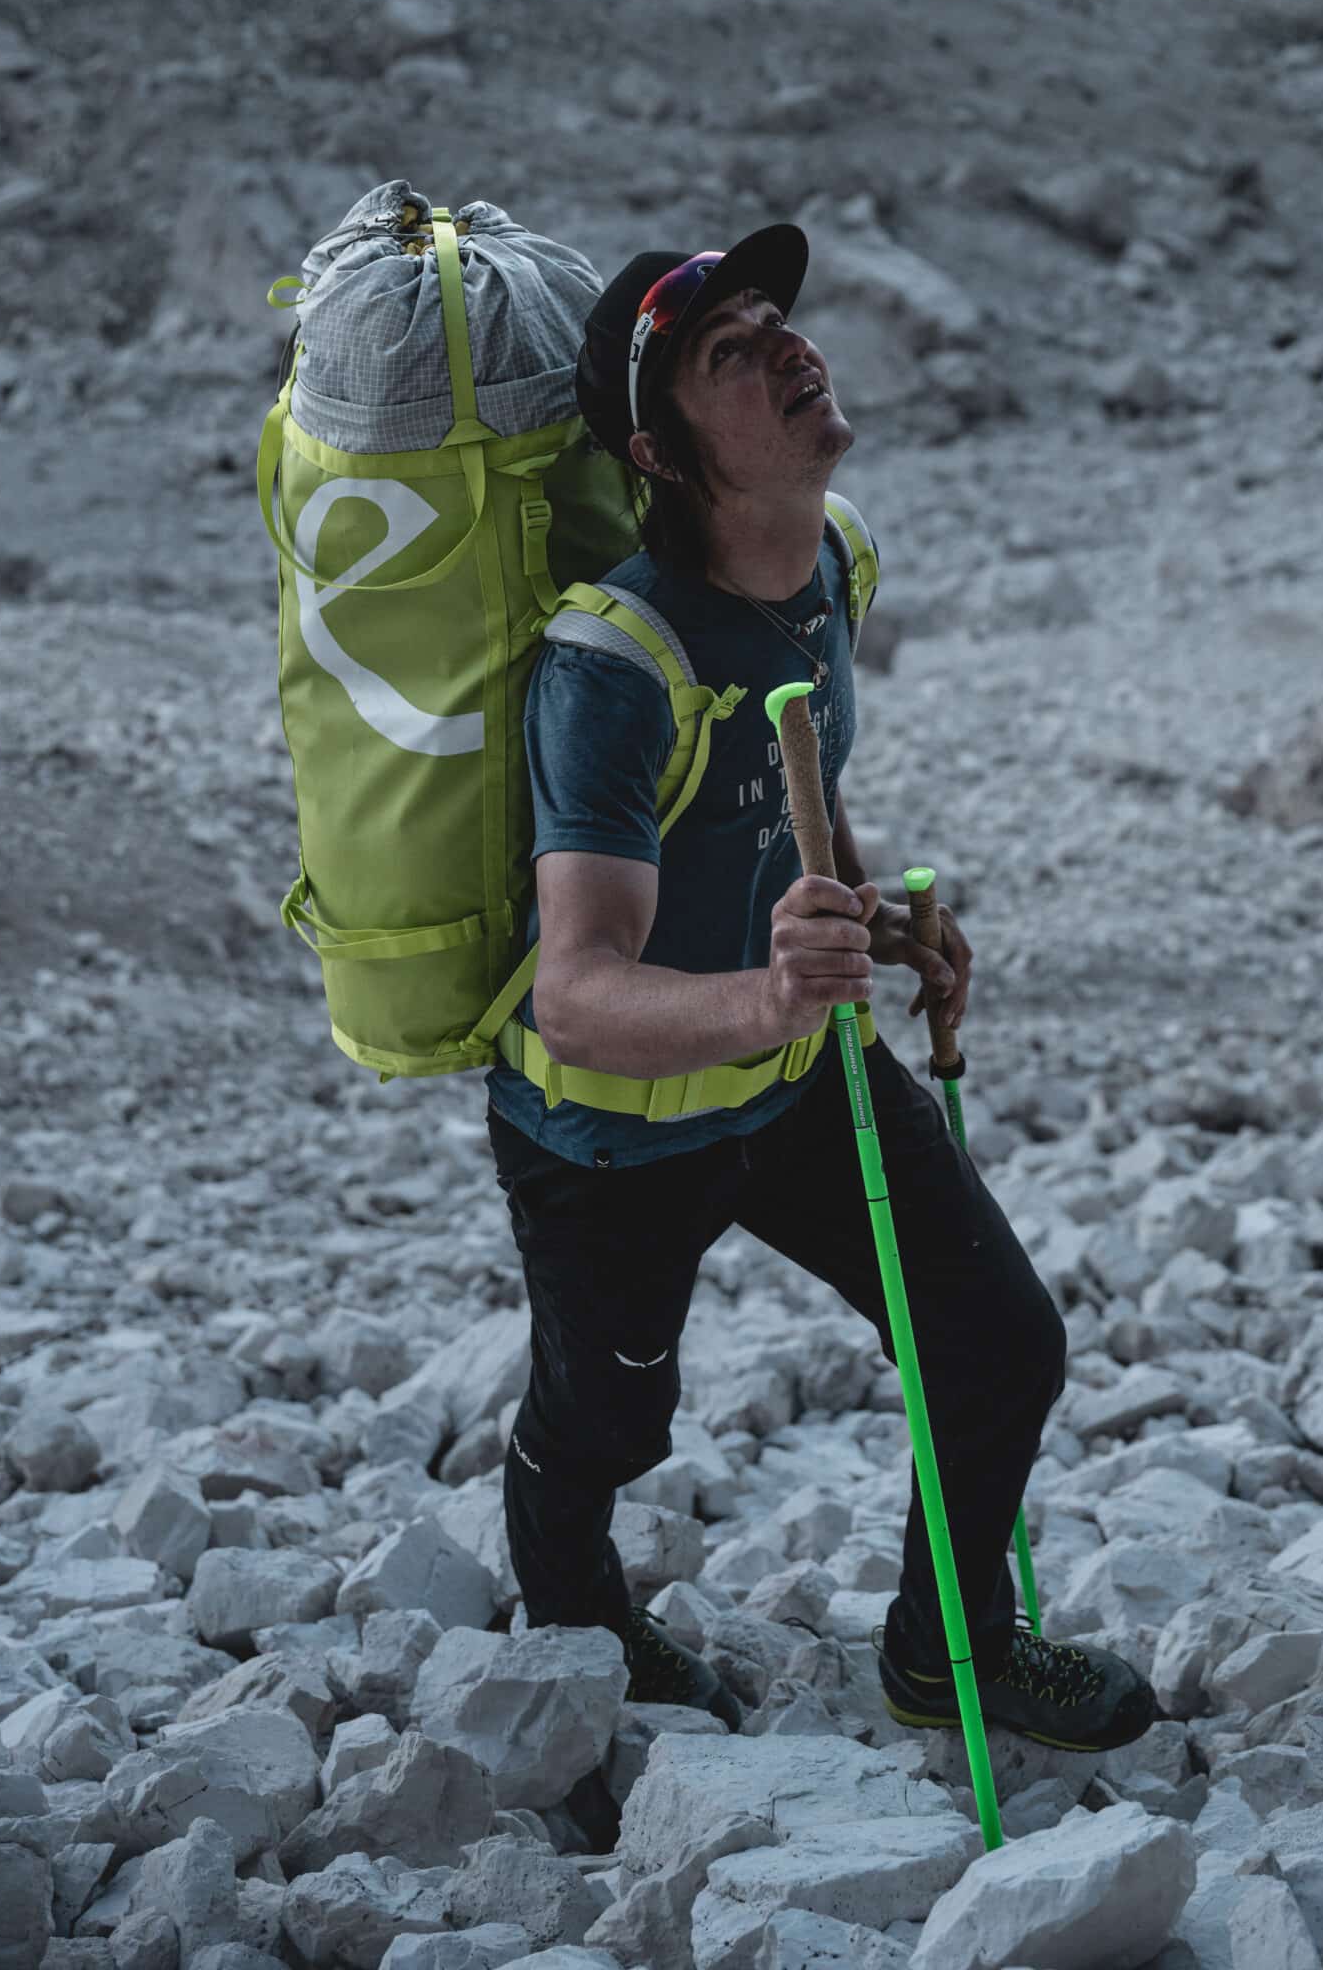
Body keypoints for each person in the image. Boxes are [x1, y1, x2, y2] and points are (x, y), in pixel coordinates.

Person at [486, 222, 1156, 1757]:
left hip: (790, 1076)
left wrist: (869, 911)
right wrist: (777, 999)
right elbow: (575, 994)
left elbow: (794, 780)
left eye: (778, 319)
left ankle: (947, 1651)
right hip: (610, 1131)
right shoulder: (610, 668)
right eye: (733, 351)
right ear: (658, 452)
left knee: (998, 1343)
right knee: (610, 1423)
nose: (792, 348)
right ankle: (578, 1631)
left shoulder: (833, 558)